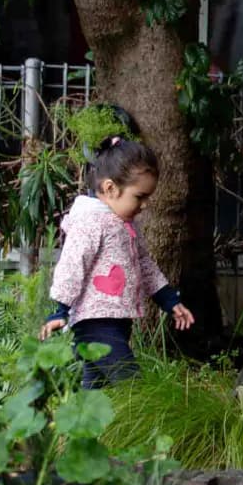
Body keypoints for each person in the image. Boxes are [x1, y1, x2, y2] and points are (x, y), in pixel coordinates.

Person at [39, 135, 195, 387]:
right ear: (111, 188)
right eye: (139, 196)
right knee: (132, 387)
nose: (144, 205)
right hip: (95, 323)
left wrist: (168, 299)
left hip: (116, 323)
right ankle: (145, 426)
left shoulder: (124, 224)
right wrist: (60, 309)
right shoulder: (91, 221)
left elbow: (144, 264)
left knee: (95, 393)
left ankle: (84, 426)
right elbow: (72, 264)